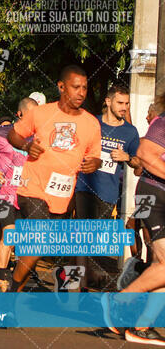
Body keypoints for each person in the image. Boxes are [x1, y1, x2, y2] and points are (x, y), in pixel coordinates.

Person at [6, 65, 102, 292]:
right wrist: (26, 145)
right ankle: (11, 294)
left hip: (62, 196)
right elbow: (14, 134)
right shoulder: (41, 113)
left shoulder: (91, 123)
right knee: (38, 243)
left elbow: (95, 155)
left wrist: (94, 163)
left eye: (85, 88)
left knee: (39, 248)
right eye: (75, 87)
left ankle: (13, 290)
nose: (81, 93)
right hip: (34, 188)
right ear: (61, 87)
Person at [103, 92, 165, 344]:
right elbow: (146, 154)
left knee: (161, 268)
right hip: (154, 194)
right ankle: (119, 301)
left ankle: (139, 327)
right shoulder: (163, 122)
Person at [73, 85, 140, 288]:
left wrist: (127, 157)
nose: (124, 107)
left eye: (127, 103)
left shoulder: (130, 132)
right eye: (120, 103)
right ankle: (77, 290)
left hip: (107, 193)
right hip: (83, 187)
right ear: (108, 101)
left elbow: (139, 163)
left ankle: (79, 281)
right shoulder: (91, 123)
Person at [0, 97, 38, 292]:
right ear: (20, 113)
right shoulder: (0, 134)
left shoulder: (39, 137)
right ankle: (3, 282)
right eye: (31, 112)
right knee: (9, 235)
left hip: (26, 194)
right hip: (2, 193)